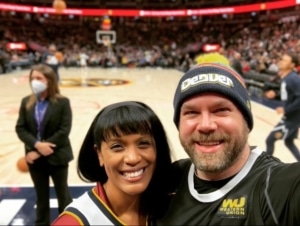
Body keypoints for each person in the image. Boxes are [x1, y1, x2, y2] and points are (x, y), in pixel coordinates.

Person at [157, 53, 300, 225]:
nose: (205, 125)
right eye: (191, 112)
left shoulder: (279, 188)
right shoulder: (168, 179)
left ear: (247, 121)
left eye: (221, 110)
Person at [51, 101, 173, 225]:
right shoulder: (73, 222)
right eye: (117, 146)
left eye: (143, 143)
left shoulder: (176, 205)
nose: (132, 158)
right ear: (99, 154)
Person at [15, 64, 73, 225]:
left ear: (49, 80)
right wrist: (36, 145)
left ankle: (67, 222)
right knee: (41, 197)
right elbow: (20, 128)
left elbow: (64, 131)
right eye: (32, 78)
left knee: (63, 195)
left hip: (57, 157)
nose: (35, 81)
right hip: (34, 158)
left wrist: (39, 150)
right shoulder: (26, 102)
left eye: (39, 78)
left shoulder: (62, 102)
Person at [265, 53, 300, 161]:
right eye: (282, 59)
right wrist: (276, 95)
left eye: (285, 60)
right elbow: (289, 96)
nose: (281, 61)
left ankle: (265, 166)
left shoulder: (293, 79)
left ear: (292, 64)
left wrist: (286, 109)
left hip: (291, 120)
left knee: (270, 140)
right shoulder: (287, 77)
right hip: (291, 118)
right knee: (288, 142)